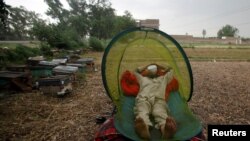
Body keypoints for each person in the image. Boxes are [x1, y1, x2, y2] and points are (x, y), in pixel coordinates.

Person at [132, 64, 177, 139]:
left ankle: (165, 129)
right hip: (144, 98)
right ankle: (144, 129)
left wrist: (159, 66)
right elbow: (136, 71)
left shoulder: (163, 78)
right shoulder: (142, 79)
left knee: (160, 112)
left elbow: (171, 69)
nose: (151, 71)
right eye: (149, 70)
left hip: (158, 100)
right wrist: (147, 66)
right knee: (142, 111)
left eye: (153, 69)